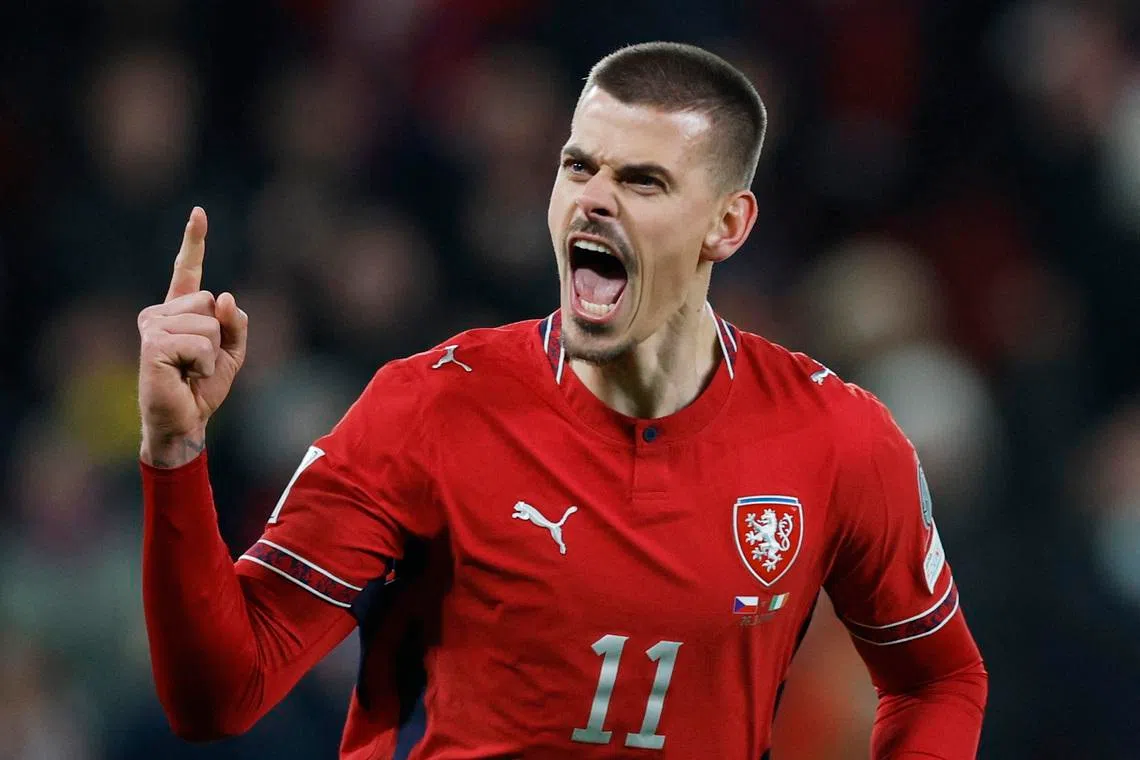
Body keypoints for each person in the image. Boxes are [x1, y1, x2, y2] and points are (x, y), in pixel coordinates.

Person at [137, 42, 987, 759]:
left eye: (644, 181)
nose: (594, 199)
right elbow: (220, 694)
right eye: (579, 166)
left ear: (726, 225)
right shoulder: (429, 410)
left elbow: (940, 676)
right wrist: (175, 454)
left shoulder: (836, 438)